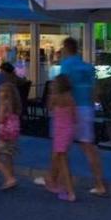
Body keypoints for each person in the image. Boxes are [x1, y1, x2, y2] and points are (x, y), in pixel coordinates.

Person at [57, 37, 108, 197]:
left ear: (66, 48)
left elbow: (63, 87)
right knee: (87, 147)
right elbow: (96, 90)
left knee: (61, 147)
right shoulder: (88, 67)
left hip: (73, 108)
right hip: (87, 108)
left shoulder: (66, 65)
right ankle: (98, 183)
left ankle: (60, 183)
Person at [44, 74, 77, 203]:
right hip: (69, 131)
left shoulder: (55, 98)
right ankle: (60, 185)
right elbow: (75, 117)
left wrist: (51, 94)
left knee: (63, 162)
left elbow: (49, 107)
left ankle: (70, 191)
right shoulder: (71, 99)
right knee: (61, 159)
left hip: (59, 132)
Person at [0, 62, 22, 191]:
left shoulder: (4, 104)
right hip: (14, 132)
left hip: (4, 133)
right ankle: (11, 177)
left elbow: (0, 120)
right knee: (8, 156)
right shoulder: (15, 104)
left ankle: (9, 177)